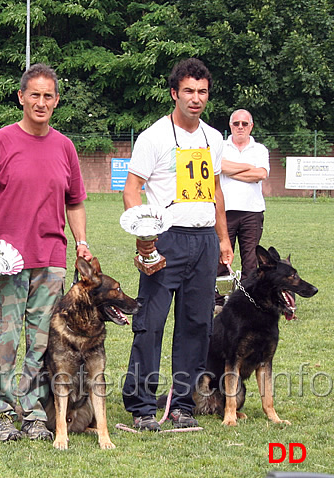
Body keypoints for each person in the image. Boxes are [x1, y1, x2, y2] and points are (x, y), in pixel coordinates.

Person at [0, 63, 92, 442]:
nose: (41, 102)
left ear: (56, 101)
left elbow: (76, 203)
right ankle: (3, 413)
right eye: (33, 95)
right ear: (21, 97)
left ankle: (35, 412)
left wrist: (82, 241)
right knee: (5, 340)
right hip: (6, 262)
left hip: (51, 260)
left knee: (41, 343)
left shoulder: (65, 146)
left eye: (47, 96)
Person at [121, 58, 233, 431]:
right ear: (174, 93)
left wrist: (223, 240)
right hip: (166, 239)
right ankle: (141, 406)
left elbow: (216, 190)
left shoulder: (214, 138)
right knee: (150, 323)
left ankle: (182, 404)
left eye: (202, 92)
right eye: (188, 91)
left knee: (197, 325)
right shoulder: (153, 137)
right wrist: (144, 240)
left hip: (203, 241)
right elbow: (132, 189)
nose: (196, 98)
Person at [216, 109, 269, 304]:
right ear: (230, 126)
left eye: (244, 124)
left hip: (252, 212)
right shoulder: (220, 146)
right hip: (224, 212)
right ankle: (219, 300)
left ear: (251, 126)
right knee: (222, 258)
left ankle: (248, 301)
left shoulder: (260, 149)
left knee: (251, 260)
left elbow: (261, 174)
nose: (240, 127)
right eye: (236, 123)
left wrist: (229, 170)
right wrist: (248, 167)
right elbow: (218, 166)